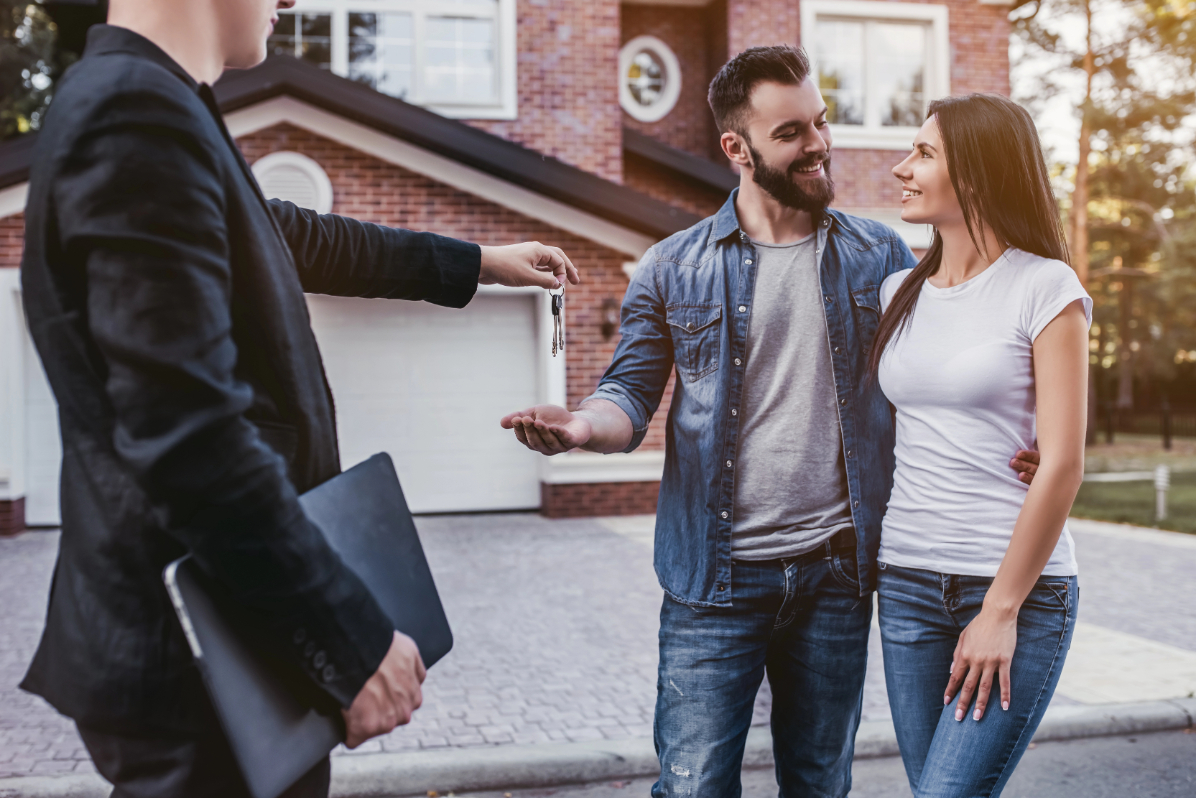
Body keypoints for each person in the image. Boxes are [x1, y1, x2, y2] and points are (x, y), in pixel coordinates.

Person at [19, 1, 579, 796]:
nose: (289, 1)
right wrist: (346, 639)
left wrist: (481, 261)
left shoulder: (157, 101)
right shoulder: (131, 112)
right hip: (200, 657)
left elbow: (296, 238)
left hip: (226, 646)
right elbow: (190, 439)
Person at [500, 47, 1040, 797]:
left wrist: (1035, 428)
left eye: (820, 121)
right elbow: (628, 393)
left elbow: (963, 350)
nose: (818, 142)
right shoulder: (672, 267)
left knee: (820, 784)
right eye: (791, 133)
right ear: (737, 149)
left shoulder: (878, 253)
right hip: (712, 581)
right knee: (693, 786)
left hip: (837, 573)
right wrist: (582, 427)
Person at [874, 93, 1089, 797]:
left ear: (977, 172)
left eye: (925, 153)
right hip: (905, 580)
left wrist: (999, 610)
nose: (903, 168)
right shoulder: (897, 291)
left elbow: (1061, 460)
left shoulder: (1044, 286)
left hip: (1014, 591)